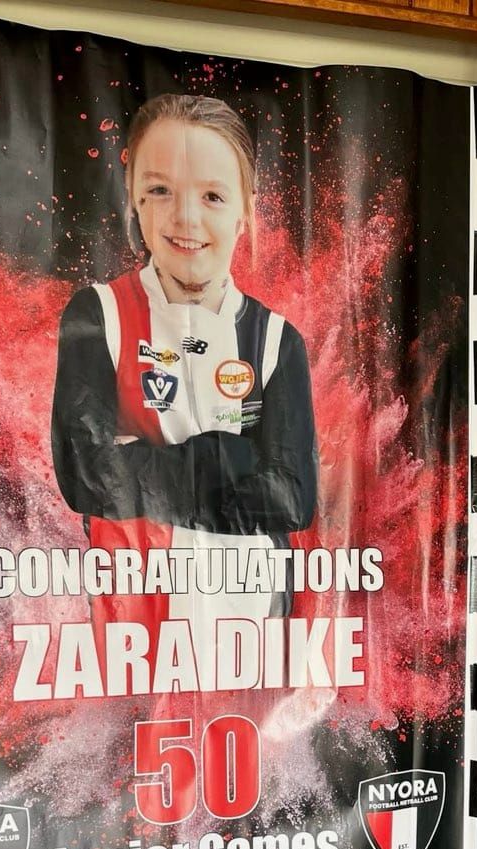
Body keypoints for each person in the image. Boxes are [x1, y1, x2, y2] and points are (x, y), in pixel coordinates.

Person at [51, 93, 318, 655]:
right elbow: (86, 476)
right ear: (133, 200)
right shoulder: (97, 315)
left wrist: (142, 464)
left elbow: (292, 500)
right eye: (160, 190)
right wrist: (233, 455)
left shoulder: (276, 341)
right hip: (132, 633)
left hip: (252, 632)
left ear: (246, 210)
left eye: (213, 196)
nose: (185, 218)